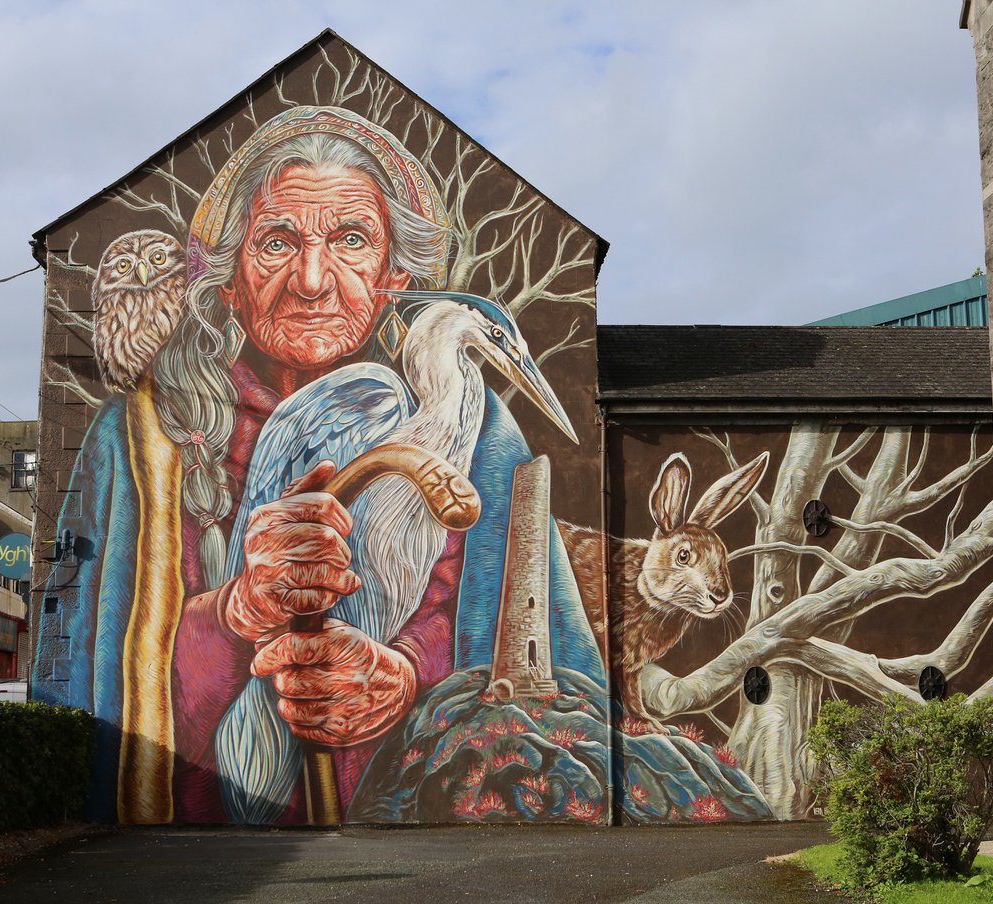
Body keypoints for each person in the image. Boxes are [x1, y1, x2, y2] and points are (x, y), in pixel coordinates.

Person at [32, 106, 603, 825]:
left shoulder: (482, 435)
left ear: (396, 275)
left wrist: (401, 676)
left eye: (352, 240)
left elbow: (502, 628)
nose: (311, 280)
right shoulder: (141, 437)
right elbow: (98, 665)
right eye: (276, 242)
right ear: (231, 280)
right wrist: (238, 611)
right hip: (188, 858)